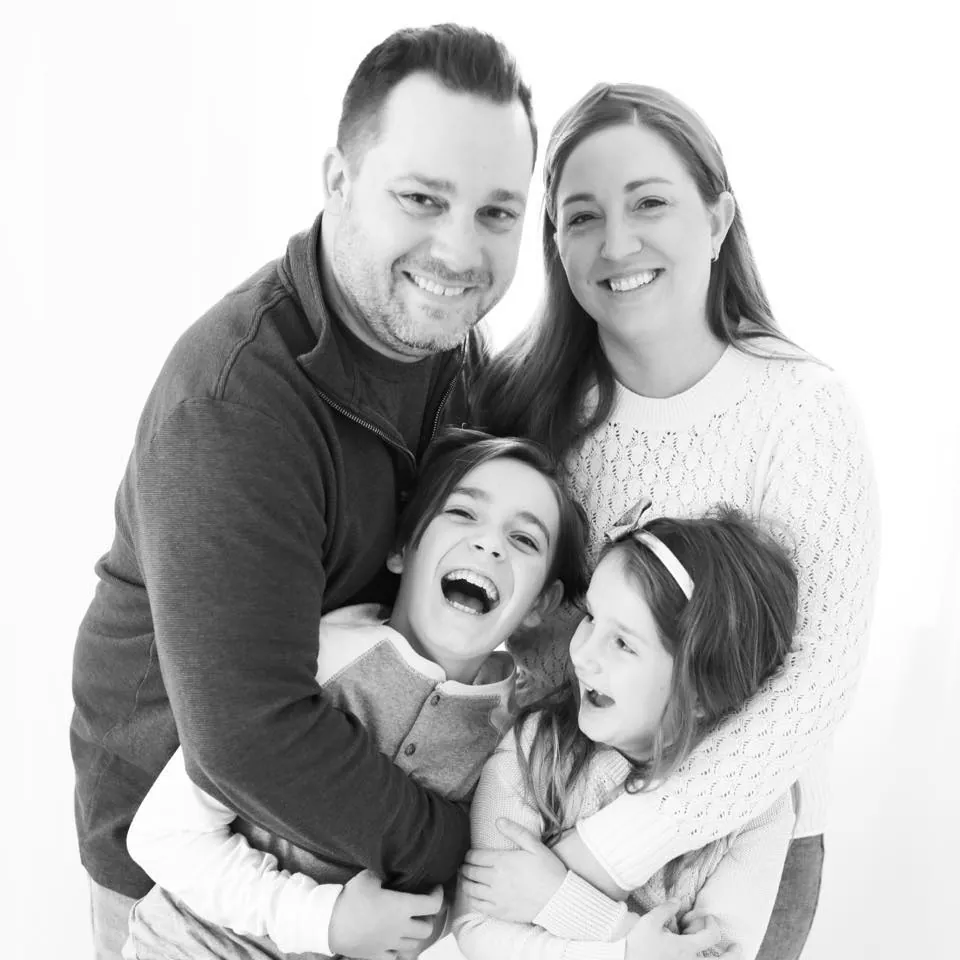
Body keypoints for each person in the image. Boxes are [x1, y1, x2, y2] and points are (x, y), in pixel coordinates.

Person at [70, 24, 537, 960]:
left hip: (346, 846)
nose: (458, 250)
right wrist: (470, 851)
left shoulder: (445, 348)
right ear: (337, 181)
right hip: (193, 871)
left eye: (496, 213)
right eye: (421, 198)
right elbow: (248, 738)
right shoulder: (234, 403)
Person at [471, 83, 881, 959]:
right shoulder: (522, 403)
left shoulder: (798, 408)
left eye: (649, 202)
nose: (618, 243)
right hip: (538, 809)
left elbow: (818, 681)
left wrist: (608, 854)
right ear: (556, 244)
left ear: (719, 217)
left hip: (738, 845)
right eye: (581, 217)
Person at [120, 429, 590, 960]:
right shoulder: (316, 659)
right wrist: (326, 921)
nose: (490, 544)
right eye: (462, 513)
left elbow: (463, 907)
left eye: (524, 540)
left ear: (539, 604)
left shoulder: (509, 741)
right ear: (401, 547)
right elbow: (162, 836)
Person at [453, 505, 800, 959]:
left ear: (700, 693)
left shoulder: (757, 809)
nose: (583, 654)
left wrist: (565, 902)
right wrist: (632, 949)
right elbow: (478, 930)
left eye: (623, 643)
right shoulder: (533, 748)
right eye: (592, 618)